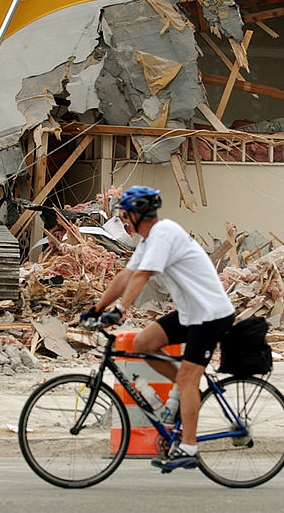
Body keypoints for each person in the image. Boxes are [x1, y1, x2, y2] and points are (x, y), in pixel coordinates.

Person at [85, 185, 235, 471]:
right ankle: (182, 389)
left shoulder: (165, 234)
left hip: (211, 314)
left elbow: (143, 276)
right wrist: (96, 309)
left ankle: (188, 447)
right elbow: (125, 276)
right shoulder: (146, 242)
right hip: (190, 313)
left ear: (138, 214)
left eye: (126, 215)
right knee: (143, 343)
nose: (123, 221)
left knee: (189, 378)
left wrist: (120, 310)